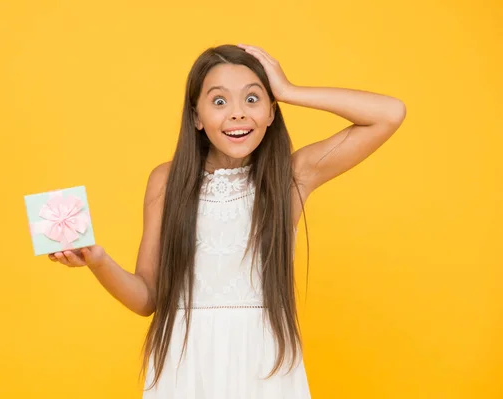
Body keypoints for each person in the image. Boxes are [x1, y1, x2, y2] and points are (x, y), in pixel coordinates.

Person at [48, 43, 406, 398]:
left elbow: (389, 113)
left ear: (271, 111)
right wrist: (98, 261)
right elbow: (147, 298)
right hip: (185, 363)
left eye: (252, 99)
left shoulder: (290, 177)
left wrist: (289, 90)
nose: (237, 114)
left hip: (262, 364)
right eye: (219, 101)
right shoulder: (166, 181)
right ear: (196, 117)